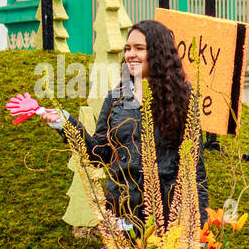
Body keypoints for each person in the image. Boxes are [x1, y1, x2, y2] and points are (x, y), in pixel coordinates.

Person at [39, 20, 209, 231]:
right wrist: (66, 123)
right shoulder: (116, 99)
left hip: (166, 217)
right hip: (122, 213)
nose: (130, 54)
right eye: (127, 48)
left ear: (158, 53)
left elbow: (195, 169)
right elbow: (97, 155)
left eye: (139, 48)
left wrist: (200, 225)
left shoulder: (183, 99)